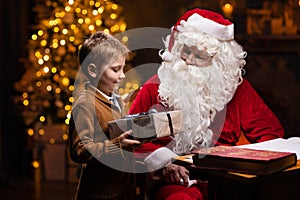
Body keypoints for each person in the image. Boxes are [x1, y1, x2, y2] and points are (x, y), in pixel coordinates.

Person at [128, 8, 285, 200]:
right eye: (185, 51)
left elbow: (271, 132)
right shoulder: (156, 87)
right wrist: (162, 163)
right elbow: (131, 138)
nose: (189, 62)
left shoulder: (235, 88)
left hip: (227, 182)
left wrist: (245, 162)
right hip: (177, 181)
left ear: (218, 63)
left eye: (200, 56)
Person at [69, 31, 141, 200]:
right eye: (116, 69)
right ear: (93, 71)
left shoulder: (115, 101)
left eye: (123, 68)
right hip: (100, 194)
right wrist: (117, 145)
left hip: (124, 190)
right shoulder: (85, 104)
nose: (122, 75)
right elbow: (79, 150)